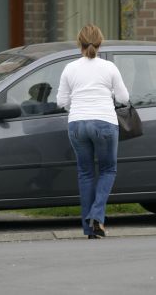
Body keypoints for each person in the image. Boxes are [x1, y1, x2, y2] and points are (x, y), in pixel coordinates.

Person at [56, 24, 129, 239]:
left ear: (79, 43)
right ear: (100, 42)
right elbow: (124, 98)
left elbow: (61, 101)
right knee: (108, 170)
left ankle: (89, 229)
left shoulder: (69, 68)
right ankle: (97, 216)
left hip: (77, 124)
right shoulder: (109, 68)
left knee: (85, 173)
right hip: (105, 123)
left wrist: (77, 105)